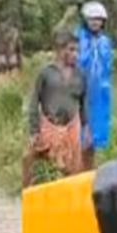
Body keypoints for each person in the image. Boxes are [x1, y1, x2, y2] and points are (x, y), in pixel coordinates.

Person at [22, 30, 88, 189]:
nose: (76, 54)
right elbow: (34, 102)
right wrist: (34, 131)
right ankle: (26, 193)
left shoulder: (81, 75)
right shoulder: (46, 73)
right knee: (29, 158)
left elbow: (84, 105)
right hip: (49, 127)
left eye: (78, 50)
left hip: (72, 128)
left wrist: (86, 129)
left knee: (74, 168)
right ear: (60, 51)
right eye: (71, 50)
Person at [77, 1, 114, 170]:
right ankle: (76, 171)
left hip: (99, 94)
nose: (95, 22)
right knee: (79, 133)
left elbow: (107, 67)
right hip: (80, 91)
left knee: (94, 135)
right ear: (85, 20)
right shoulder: (79, 38)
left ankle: (89, 170)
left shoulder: (105, 42)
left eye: (98, 19)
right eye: (92, 19)